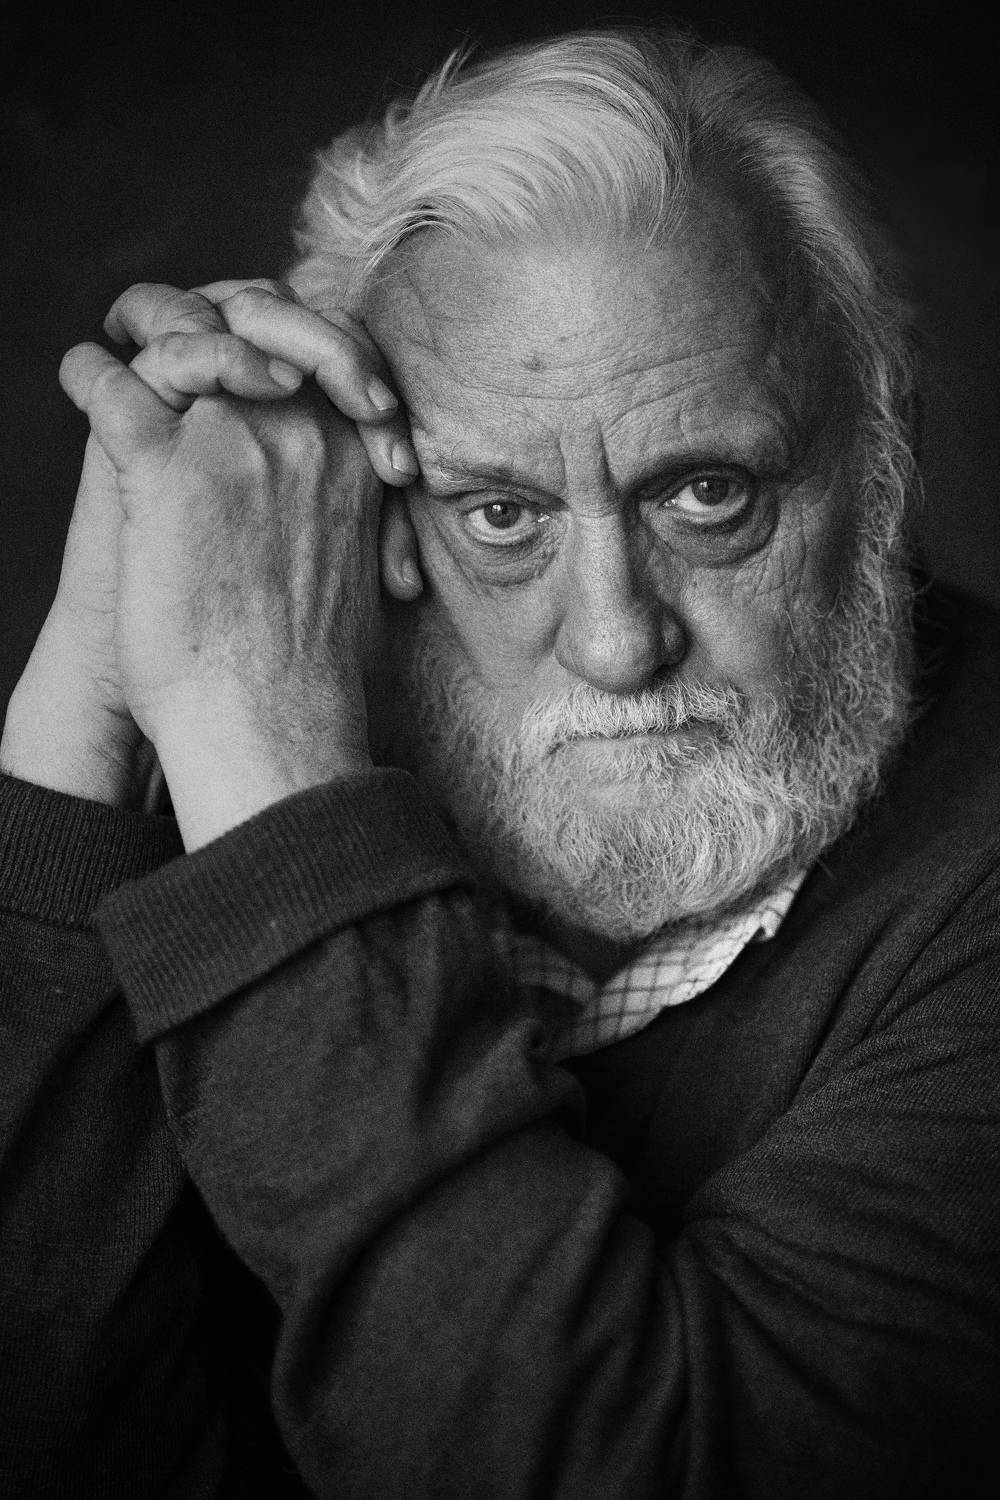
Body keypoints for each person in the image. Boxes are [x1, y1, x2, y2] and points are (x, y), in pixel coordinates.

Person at [2, 24, 999, 1499]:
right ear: (367, 507)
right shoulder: (320, 716)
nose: (616, 641)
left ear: (885, 445)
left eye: (707, 494)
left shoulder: (268, 757)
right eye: (501, 516)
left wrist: (264, 781)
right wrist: (91, 689)